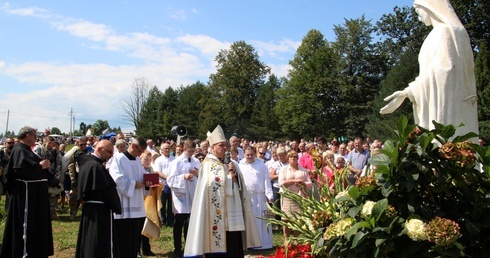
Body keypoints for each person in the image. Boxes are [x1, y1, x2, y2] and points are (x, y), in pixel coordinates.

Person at [380, 0, 478, 140]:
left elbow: (444, 70)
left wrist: (408, 91)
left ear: (429, 8)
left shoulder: (444, 31)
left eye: (419, 12)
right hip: (442, 100)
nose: (419, 18)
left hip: (448, 104)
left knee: (446, 144)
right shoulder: (442, 32)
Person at [184, 125, 261, 257]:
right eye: (221, 145)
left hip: (234, 210)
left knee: (234, 244)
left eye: (225, 145)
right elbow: (211, 185)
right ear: (212, 147)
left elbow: (240, 183)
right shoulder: (208, 164)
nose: (225, 148)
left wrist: (235, 175)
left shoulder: (231, 163)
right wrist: (229, 179)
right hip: (218, 215)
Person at [1, 126, 54, 258]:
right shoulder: (19, 150)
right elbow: (21, 170)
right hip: (27, 196)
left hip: (35, 195)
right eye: (35, 136)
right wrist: (40, 165)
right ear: (28, 136)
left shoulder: (26, 150)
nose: (36, 139)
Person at [75, 139, 122, 258]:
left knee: (89, 241)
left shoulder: (86, 163)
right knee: (99, 243)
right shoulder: (96, 167)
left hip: (88, 209)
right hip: (100, 212)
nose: (111, 155)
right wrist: (117, 206)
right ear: (100, 149)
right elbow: (108, 191)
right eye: (110, 152)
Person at [109, 137, 151, 258]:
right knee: (123, 237)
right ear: (133, 146)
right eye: (140, 151)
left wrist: (147, 182)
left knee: (134, 237)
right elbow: (116, 179)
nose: (141, 154)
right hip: (123, 205)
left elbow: (142, 176)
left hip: (137, 204)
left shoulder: (137, 160)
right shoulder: (118, 159)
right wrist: (134, 184)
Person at [167, 140, 200, 258]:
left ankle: (189, 247)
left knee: (190, 223)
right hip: (181, 196)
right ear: (184, 149)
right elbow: (170, 179)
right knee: (179, 223)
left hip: (193, 194)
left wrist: (197, 173)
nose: (191, 153)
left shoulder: (196, 161)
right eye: (189, 151)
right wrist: (183, 177)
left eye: (193, 151)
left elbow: (201, 176)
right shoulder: (177, 162)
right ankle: (177, 248)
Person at [239, 147, 274, 249]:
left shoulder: (261, 165)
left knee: (261, 219)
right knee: (249, 221)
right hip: (247, 197)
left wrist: (269, 195)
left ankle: (263, 243)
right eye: (247, 155)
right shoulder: (240, 165)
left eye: (251, 154)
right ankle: (250, 243)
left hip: (260, 197)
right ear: (244, 154)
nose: (249, 157)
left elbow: (266, 180)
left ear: (255, 154)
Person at [278, 150, 312, 246]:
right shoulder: (284, 169)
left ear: (297, 159)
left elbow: (309, 183)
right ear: (288, 159)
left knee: (298, 218)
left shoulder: (303, 170)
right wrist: (293, 181)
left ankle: (297, 239)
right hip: (287, 195)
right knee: (286, 218)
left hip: (299, 196)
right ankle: (286, 239)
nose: (293, 159)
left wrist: (303, 183)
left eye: (295, 157)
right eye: (291, 157)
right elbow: (281, 183)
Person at [153, 142, 175, 227]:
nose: (167, 150)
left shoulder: (174, 159)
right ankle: (163, 220)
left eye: (168, 148)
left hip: (172, 184)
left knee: (171, 203)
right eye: (165, 148)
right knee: (162, 203)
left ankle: (171, 220)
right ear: (161, 150)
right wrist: (167, 178)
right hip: (162, 184)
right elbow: (157, 171)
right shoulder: (159, 160)